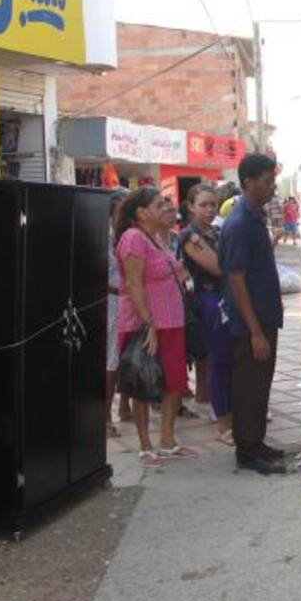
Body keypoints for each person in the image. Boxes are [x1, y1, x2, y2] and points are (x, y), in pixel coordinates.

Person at [114, 187, 199, 469]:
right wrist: (148, 323)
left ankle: (167, 441)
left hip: (172, 322)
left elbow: (176, 272)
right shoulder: (133, 239)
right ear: (141, 212)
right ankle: (145, 446)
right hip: (145, 324)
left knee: (173, 382)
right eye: (159, 204)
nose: (167, 207)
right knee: (143, 383)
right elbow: (134, 284)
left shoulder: (159, 238)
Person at [219, 154, 286, 475]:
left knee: (260, 385)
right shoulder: (240, 222)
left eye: (272, 181)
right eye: (266, 181)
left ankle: (256, 442)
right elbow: (236, 278)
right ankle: (246, 450)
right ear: (248, 182)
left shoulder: (255, 217)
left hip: (265, 318)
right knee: (248, 387)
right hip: (251, 324)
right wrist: (255, 331)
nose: (272, 187)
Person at [179, 183, 235, 446]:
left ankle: (228, 415)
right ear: (190, 207)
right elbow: (218, 268)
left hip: (223, 299)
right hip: (208, 302)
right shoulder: (190, 237)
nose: (210, 210)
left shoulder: (215, 231)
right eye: (203, 205)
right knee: (219, 359)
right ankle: (223, 423)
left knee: (227, 360)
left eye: (213, 204)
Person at [105, 187, 131, 437]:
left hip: (127, 302)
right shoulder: (103, 235)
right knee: (111, 361)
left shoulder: (128, 235)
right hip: (112, 303)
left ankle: (125, 406)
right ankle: (105, 418)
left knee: (126, 356)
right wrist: (124, 290)